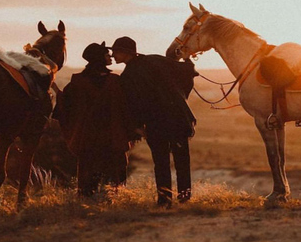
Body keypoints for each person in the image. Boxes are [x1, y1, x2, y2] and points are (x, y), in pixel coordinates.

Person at [110, 36, 197, 207]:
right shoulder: (155, 60)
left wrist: (137, 127)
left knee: (161, 161)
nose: (113, 56)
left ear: (124, 52)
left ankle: (164, 200)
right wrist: (180, 96)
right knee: (181, 159)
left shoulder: (126, 77)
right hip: (177, 118)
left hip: (156, 124)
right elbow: (187, 71)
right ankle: (184, 197)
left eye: (115, 52)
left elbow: (132, 105)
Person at [54, 42, 136, 196]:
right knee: (114, 172)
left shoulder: (79, 81)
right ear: (99, 58)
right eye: (106, 55)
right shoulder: (114, 81)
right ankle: (114, 198)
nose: (110, 57)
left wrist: (58, 94)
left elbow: (66, 106)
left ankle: (87, 199)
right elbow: (126, 107)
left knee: (88, 170)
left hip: (88, 137)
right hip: (111, 135)